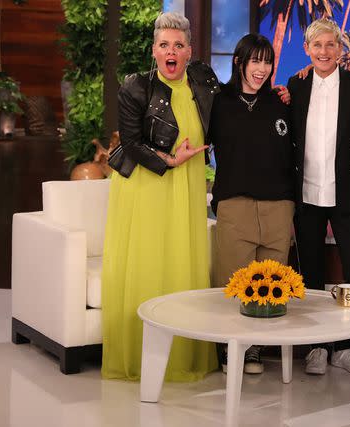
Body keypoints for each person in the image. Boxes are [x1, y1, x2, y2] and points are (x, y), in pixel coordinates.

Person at [101, 12, 220, 381]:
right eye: (164, 44)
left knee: (181, 260)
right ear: (154, 50)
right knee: (150, 260)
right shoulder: (135, 87)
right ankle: (142, 357)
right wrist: (170, 160)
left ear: (189, 52)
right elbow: (132, 143)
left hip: (186, 182)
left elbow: (232, 109)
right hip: (146, 183)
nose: (172, 51)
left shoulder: (204, 81)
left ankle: (183, 353)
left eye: (179, 45)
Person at [287, 18, 350, 376]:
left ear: (340, 50)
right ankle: (317, 345)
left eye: (330, 45)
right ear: (307, 50)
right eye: (316, 46)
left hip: (346, 192)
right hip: (306, 191)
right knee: (312, 271)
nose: (323, 51)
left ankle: (346, 344)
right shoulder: (297, 83)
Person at [209, 34, 295, 374]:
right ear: (239, 62)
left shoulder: (281, 104)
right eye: (255, 61)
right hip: (235, 204)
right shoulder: (219, 103)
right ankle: (232, 348)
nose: (261, 69)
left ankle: (255, 349)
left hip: (278, 207)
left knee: (268, 286)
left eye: (267, 61)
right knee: (231, 282)